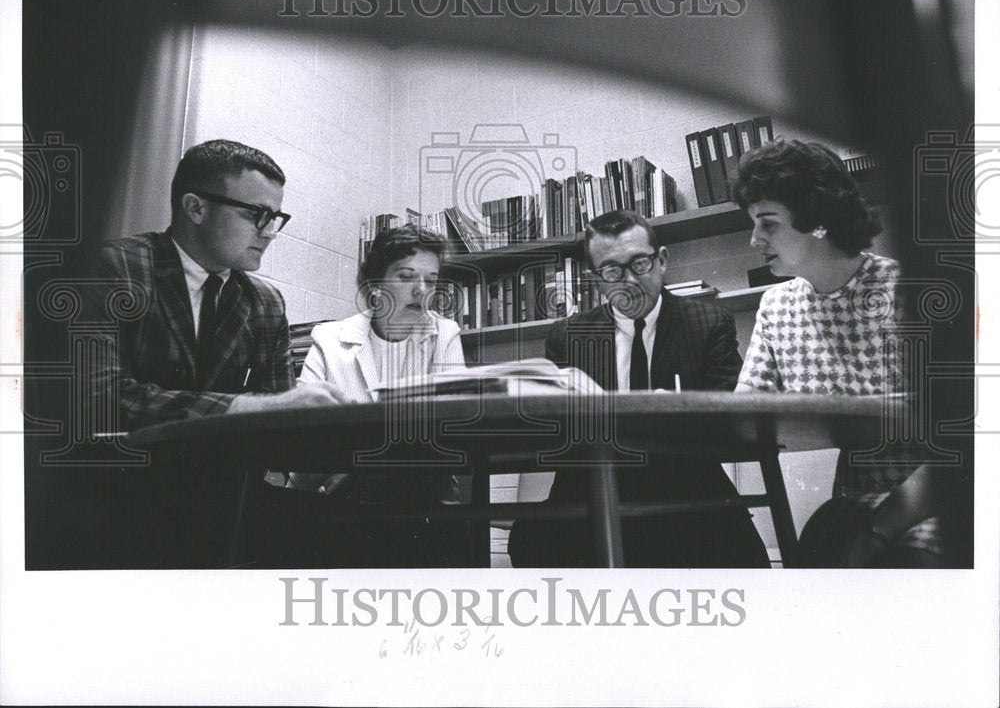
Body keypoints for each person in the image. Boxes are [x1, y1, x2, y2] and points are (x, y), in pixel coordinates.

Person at [732, 138, 956, 566]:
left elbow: (967, 442)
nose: (754, 240)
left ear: (818, 220)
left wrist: (879, 530)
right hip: (853, 503)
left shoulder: (917, 294)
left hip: (938, 497)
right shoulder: (776, 307)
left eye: (768, 223)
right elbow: (747, 419)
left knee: (912, 563)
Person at [507, 209, 770, 568]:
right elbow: (555, 436)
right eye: (613, 271)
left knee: (743, 562)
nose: (629, 281)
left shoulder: (709, 323)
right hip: (592, 496)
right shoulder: (567, 336)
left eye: (640, 264)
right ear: (596, 279)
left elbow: (734, 419)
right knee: (532, 545)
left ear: (661, 261)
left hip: (687, 493)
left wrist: (679, 413)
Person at [89, 138, 346, 430]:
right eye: (256, 214)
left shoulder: (266, 303)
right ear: (196, 208)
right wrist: (245, 408)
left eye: (274, 218)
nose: (270, 233)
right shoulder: (113, 269)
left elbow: (280, 425)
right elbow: (98, 396)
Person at [272, 223, 472, 567]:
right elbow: (301, 429)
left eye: (431, 279)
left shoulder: (444, 334)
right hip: (335, 500)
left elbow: (450, 427)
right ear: (376, 284)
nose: (421, 290)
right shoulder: (329, 338)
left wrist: (356, 462)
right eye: (407, 276)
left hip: (419, 497)